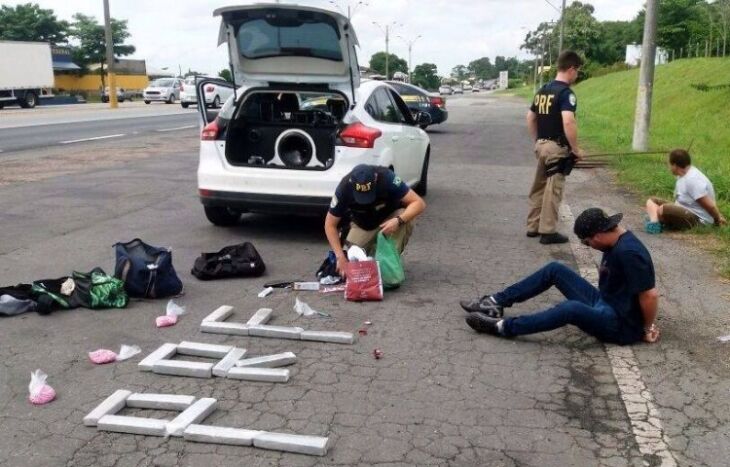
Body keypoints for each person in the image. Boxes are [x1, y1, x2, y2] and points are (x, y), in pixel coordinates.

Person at [460, 208, 660, 345]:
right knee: (555, 269)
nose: (588, 246)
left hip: (620, 324)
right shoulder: (616, 242)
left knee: (570, 309)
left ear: (597, 236)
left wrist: (645, 328)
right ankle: (495, 302)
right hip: (606, 302)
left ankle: (503, 327)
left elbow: (650, 295)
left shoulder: (629, 253)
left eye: (586, 242)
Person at [526, 50, 586, 245]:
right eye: (577, 71)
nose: (577, 75)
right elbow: (568, 121)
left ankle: (533, 226)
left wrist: (538, 141)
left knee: (539, 187)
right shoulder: (566, 93)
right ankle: (548, 231)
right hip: (556, 148)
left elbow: (530, 117)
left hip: (541, 145)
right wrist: (576, 149)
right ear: (571, 69)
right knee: (554, 189)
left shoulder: (543, 90)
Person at [324, 164, 426, 278]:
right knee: (349, 267)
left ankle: (389, 260)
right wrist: (340, 256)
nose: (365, 200)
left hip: (390, 220)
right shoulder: (344, 188)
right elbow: (329, 225)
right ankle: (372, 252)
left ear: (376, 178)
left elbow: (419, 203)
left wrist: (398, 221)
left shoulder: (388, 178)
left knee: (405, 215)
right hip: (363, 225)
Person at [645, 149, 726, 233]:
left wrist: (718, 219)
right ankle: (654, 223)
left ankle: (658, 221)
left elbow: (710, 206)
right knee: (651, 201)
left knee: (663, 209)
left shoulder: (692, 180)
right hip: (684, 210)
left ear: (675, 166)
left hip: (700, 219)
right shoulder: (682, 176)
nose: (668, 167)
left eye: (669, 164)